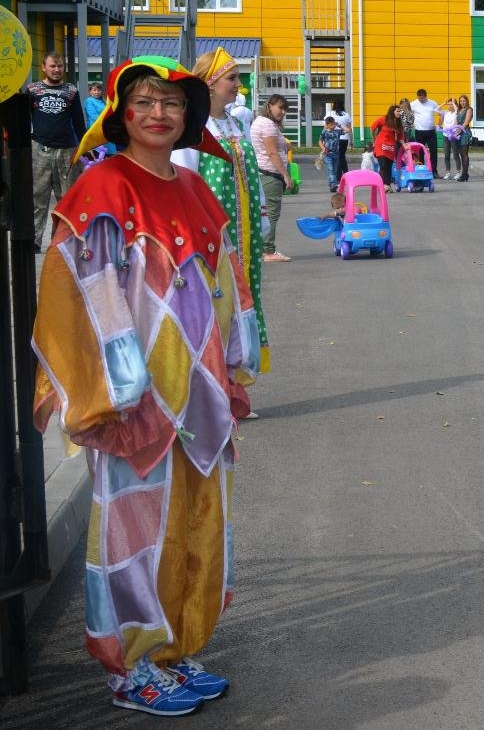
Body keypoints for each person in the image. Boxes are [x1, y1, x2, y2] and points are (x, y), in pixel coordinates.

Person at [32, 55, 259, 716]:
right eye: (145, 100)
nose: (160, 113)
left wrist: (233, 356)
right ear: (118, 112)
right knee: (133, 527)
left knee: (194, 520)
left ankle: (173, 647)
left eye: (172, 102)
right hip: (135, 395)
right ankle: (130, 666)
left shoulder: (193, 188)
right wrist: (116, 380)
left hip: (199, 390)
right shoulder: (103, 184)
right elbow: (88, 286)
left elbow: (225, 276)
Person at [172, 47, 272, 376]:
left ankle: (237, 379)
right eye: (232, 78)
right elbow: (181, 182)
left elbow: (250, 173)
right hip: (210, 233)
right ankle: (214, 384)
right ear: (211, 83)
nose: (238, 85)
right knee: (214, 302)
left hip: (244, 233)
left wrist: (261, 212)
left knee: (243, 299)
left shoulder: (233, 122)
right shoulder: (194, 128)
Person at [26, 52, 87, 251]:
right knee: (38, 197)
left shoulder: (71, 91)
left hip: (67, 151)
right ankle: (34, 240)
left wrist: (85, 146)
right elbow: (23, 120)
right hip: (39, 149)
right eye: (53, 66)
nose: (57, 69)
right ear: (44, 67)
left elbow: (79, 121)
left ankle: (60, 240)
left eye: (60, 66)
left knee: (67, 199)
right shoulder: (32, 90)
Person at [251, 94, 294, 262]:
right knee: (271, 214)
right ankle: (268, 251)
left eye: (285, 109)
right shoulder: (268, 125)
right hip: (270, 174)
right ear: (269, 105)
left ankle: (263, 248)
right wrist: (285, 175)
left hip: (264, 172)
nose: (283, 112)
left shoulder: (261, 122)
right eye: (280, 107)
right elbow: (272, 153)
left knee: (265, 212)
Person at [370, 104, 404, 192]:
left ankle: (386, 185)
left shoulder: (399, 123)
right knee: (383, 165)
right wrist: (374, 140)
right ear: (392, 112)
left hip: (391, 147)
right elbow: (373, 127)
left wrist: (405, 146)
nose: (399, 113)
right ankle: (385, 185)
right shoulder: (383, 119)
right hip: (381, 145)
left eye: (400, 111)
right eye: (397, 111)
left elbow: (400, 137)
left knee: (389, 167)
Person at [410, 89, 440, 175]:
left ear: (426, 96)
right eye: (419, 98)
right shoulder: (413, 104)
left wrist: (438, 124)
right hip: (419, 132)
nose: (421, 100)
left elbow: (440, 113)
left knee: (433, 151)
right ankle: (421, 170)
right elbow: (408, 114)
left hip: (431, 131)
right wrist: (411, 124)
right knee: (420, 152)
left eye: (422, 98)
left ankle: (434, 171)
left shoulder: (432, 103)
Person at [323, 101, 352, 187]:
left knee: (337, 158)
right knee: (342, 157)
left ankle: (338, 178)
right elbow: (349, 129)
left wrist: (325, 139)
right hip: (345, 138)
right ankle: (346, 175)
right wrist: (351, 140)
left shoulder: (330, 113)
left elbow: (325, 126)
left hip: (335, 138)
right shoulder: (346, 115)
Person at [320, 115, 346, 191]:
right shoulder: (324, 132)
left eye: (334, 124)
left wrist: (339, 125)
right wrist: (323, 148)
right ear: (327, 125)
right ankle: (333, 185)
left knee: (334, 170)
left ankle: (332, 184)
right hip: (328, 154)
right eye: (331, 125)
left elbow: (348, 130)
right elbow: (320, 141)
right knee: (331, 170)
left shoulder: (337, 132)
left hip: (336, 154)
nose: (333, 126)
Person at [452, 94, 474, 181]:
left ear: (467, 101)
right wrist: (454, 130)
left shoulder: (469, 109)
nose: (462, 102)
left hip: (465, 132)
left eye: (464, 101)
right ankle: (464, 173)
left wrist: (459, 130)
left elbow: (466, 122)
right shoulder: (459, 110)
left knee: (465, 154)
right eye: (461, 101)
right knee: (461, 154)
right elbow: (457, 122)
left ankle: (464, 174)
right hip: (458, 133)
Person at [440, 97, 458, 175]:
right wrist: (444, 103)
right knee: (446, 155)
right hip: (445, 136)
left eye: (451, 104)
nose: (450, 106)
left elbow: (457, 110)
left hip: (453, 136)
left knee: (455, 155)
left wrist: (454, 103)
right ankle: (448, 173)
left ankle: (458, 172)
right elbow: (435, 110)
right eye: (449, 104)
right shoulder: (445, 112)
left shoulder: (456, 113)